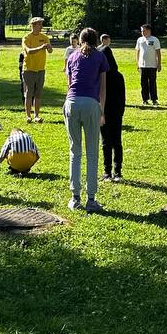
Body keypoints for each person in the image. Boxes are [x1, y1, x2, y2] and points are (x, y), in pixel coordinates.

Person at [63, 27, 109, 212]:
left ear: (80, 40)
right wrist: (102, 112)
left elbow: (69, 83)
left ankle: (75, 198)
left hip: (71, 103)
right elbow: (103, 88)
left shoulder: (72, 56)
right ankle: (91, 199)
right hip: (91, 104)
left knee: (75, 151)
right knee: (92, 153)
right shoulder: (100, 57)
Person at [98, 33, 126, 182]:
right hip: (116, 112)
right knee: (117, 141)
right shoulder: (118, 75)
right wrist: (121, 111)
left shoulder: (100, 76)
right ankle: (118, 171)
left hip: (104, 111)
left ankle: (107, 172)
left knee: (106, 142)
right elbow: (123, 97)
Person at [21, 16, 52, 123]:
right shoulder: (26, 38)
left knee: (38, 93)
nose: (41, 26)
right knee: (29, 92)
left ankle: (37, 115)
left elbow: (50, 51)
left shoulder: (45, 37)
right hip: (29, 69)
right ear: (33, 25)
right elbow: (29, 51)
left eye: (41, 24)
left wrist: (49, 48)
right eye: (39, 24)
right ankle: (28, 116)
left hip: (40, 69)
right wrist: (41, 47)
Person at [135, 23, 161, 106]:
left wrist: (159, 64)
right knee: (143, 83)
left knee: (152, 83)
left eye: (144, 31)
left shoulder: (154, 39)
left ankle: (154, 99)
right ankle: (145, 99)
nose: (142, 32)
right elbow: (138, 52)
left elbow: (158, 52)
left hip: (152, 65)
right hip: (142, 65)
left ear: (149, 30)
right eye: (142, 31)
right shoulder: (140, 40)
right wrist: (138, 63)